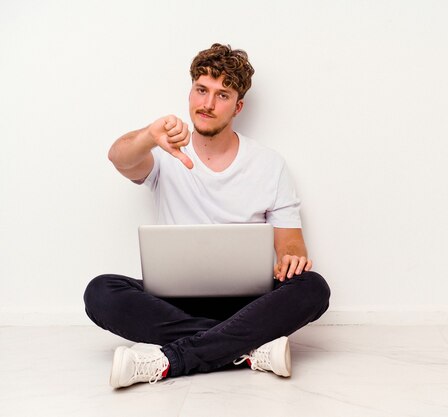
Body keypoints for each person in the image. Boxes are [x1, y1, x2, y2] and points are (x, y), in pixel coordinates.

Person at [83, 43, 331, 389]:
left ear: (237, 105)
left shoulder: (269, 164)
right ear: (191, 92)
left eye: (222, 94)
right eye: (202, 90)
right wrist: (149, 136)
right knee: (100, 292)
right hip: (172, 302)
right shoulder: (164, 151)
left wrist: (291, 260)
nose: (208, 104)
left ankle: (170, 359)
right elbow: (120, 158)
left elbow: (292, 246)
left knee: (313, 288)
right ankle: (247, 350)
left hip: (248, 304)